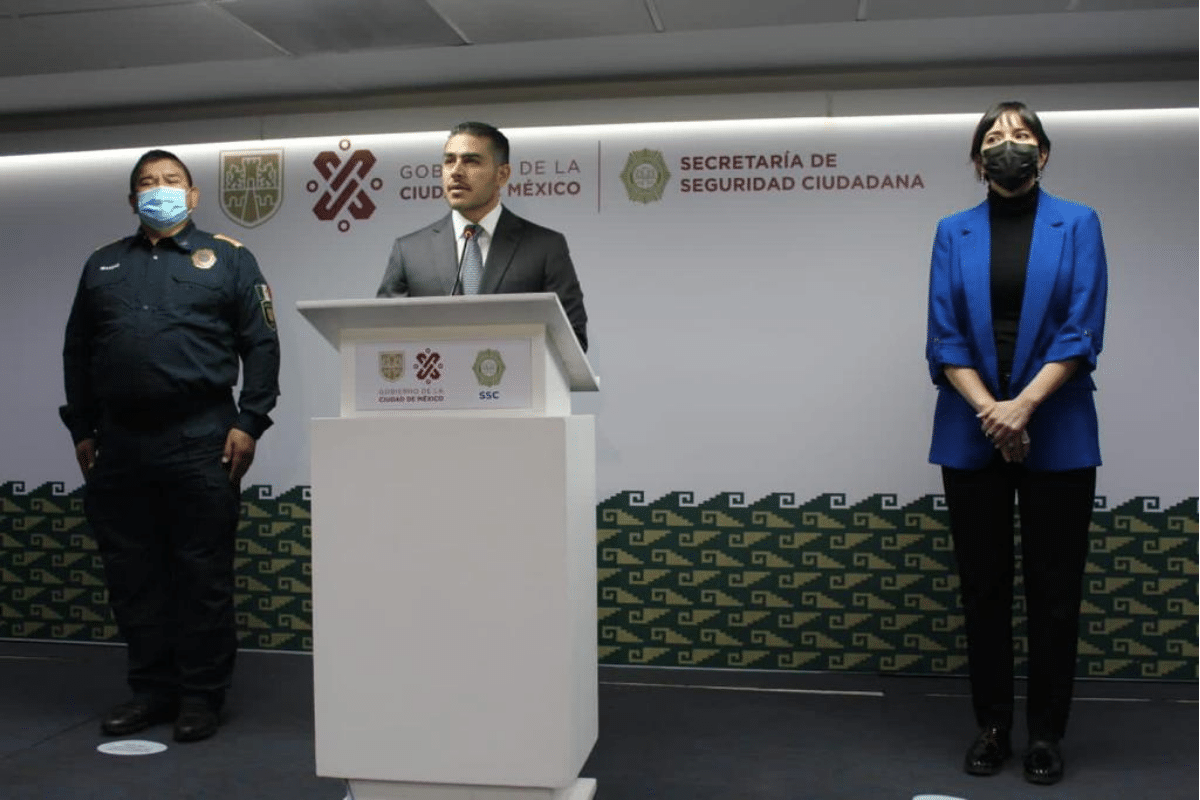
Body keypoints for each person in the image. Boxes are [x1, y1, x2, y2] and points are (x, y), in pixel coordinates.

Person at [60, 149, 281, 743]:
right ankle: (151, 691)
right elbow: (77, 351)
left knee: (201, 574)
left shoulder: (230, 260)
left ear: (193, 194)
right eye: (147, 184)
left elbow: (261, 344)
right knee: (134, 575)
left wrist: (251, 421)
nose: (159, 190)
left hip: (202, 436)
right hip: (119, 441)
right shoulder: (101, 264)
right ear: (132, 201)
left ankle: (202, 697)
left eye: (171, 181)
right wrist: (81, 427)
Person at [924, 102, 1107, 785]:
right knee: (983, 588)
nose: (1009, 146)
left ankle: (1047, 735)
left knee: (1056, 590)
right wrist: (992, 413)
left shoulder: (1079, 223)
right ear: (978, 161)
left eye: (1021, 136)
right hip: (971, 429)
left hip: (1056, 428)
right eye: (995, 138)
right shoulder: (952, 232)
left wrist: (1022, 408)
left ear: (1045, 153)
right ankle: (993, 726)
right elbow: (943, 337)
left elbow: (1082, 330)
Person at [376, 121, 588, 350]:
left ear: (502, 174)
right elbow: (378, 336)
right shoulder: (409, 251)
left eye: (471, 161)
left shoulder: (545, 247)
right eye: (449, 161)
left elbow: (573, 339)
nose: (456, 171)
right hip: (433, 382)